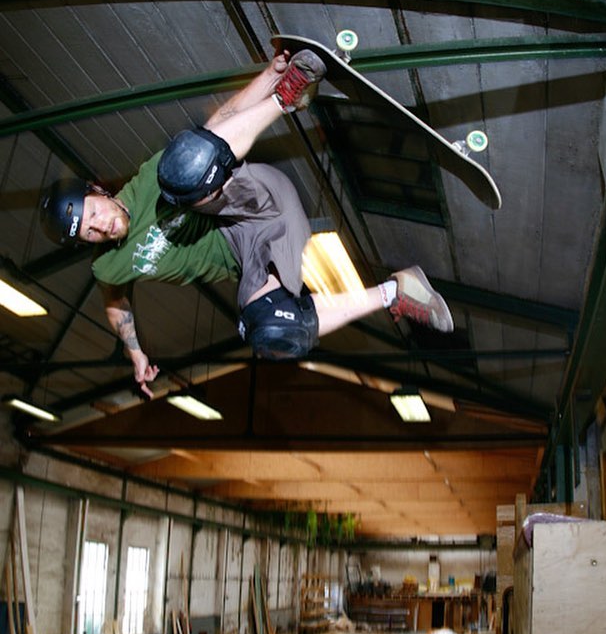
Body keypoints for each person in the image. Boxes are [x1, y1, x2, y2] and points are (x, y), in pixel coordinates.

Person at [41, 49, 453, 398]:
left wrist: (271, 78)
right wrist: (136, 354)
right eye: (89, 233)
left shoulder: (147, 180)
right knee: (273, 332)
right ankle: (397, 291)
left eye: (95, 213)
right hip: (257, 248)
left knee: (182, 171)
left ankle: (289, 97)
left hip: (251, 202)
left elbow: (225, 117)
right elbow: (115, 305)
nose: (101, 227)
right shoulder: (107, 266)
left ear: (98, 190)